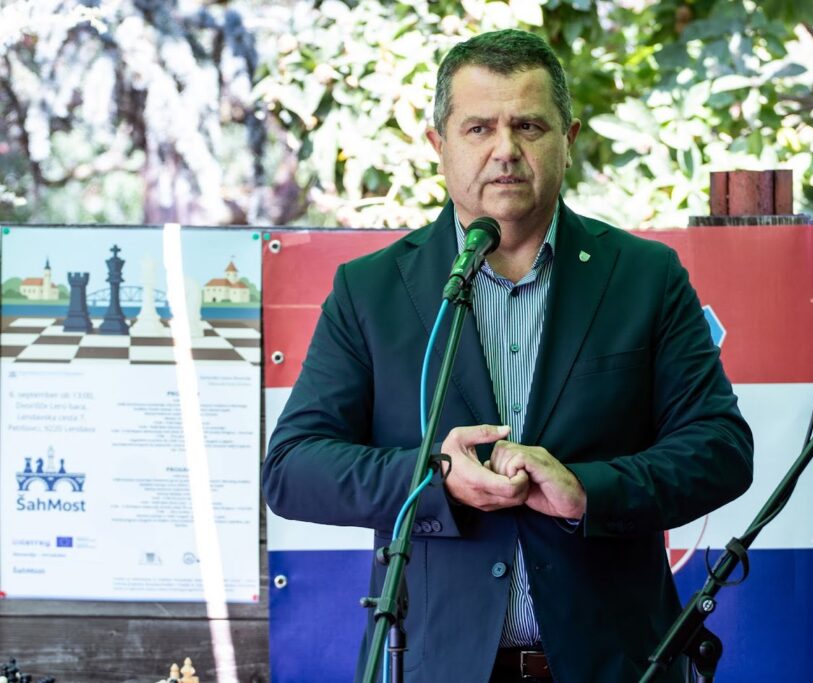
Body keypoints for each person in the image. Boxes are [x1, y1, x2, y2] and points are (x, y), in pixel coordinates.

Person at [262, 29, 754, 683]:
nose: (505, 150)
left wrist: (588, 491)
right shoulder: (371, 290)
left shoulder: (644, 277)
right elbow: (293, 467)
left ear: (568, 141)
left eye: (528, 126)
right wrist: (436, 476)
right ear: (438, 144)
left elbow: (721, 449)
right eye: (479, 129)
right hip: (439, 666)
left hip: (614, 665)